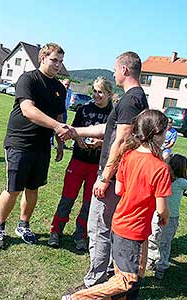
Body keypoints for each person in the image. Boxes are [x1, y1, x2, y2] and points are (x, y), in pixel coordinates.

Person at [62, 109, 171, 300]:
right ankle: (78, 297)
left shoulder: (128, 155)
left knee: (137, 272)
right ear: (157, 134)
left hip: (121, 223)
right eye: (165, 132)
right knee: (127, 280)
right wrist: (164, 217)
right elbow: (162, 209)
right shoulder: (160, 168)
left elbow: (119, 189)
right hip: (134, 230)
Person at [62, 51, 149, 288]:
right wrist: (75, 131)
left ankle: (96, 280)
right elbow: (108, 129)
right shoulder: (135, 98)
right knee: (107, 226)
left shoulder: (131, 100)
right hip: (117, 177)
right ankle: (109, 274)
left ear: (124, 70)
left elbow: (120, 140)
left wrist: (104, 176)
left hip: (112, 178)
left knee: (99, 227)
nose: (113, 73)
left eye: (115, 69)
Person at [0, 43, 74, 249]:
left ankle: (23, 225)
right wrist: (57, 126)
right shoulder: (28, 79)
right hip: (20, 142)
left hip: (42, 145)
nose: (58, 65)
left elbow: (59, 116)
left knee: (33, 188)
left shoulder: (59, 88)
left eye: (61, 61)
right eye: (54, 60)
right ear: (42, 58)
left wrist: (60, 143)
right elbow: (27, 110)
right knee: (13, 189)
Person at [48, 77, 113, 251]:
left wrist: (101, 143)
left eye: (100, 92)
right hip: (78, 160)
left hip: (97, 165)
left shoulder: (114, 114)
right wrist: (78, 138)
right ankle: (56, 231)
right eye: (94, 91)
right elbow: (73, 130)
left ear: (109, 94)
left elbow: (116, 139)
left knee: (88, 203)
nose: (96, 95)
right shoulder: (84, 109)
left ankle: (81, 235)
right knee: (67, 198)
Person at [147, 154, 187, 279]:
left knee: (153, 238)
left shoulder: (163, 178)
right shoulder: (181, 182)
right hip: (171, 218)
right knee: (165, 243)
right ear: (183, 168)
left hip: (157, 214)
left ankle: (151, 261)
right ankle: (161, 267)